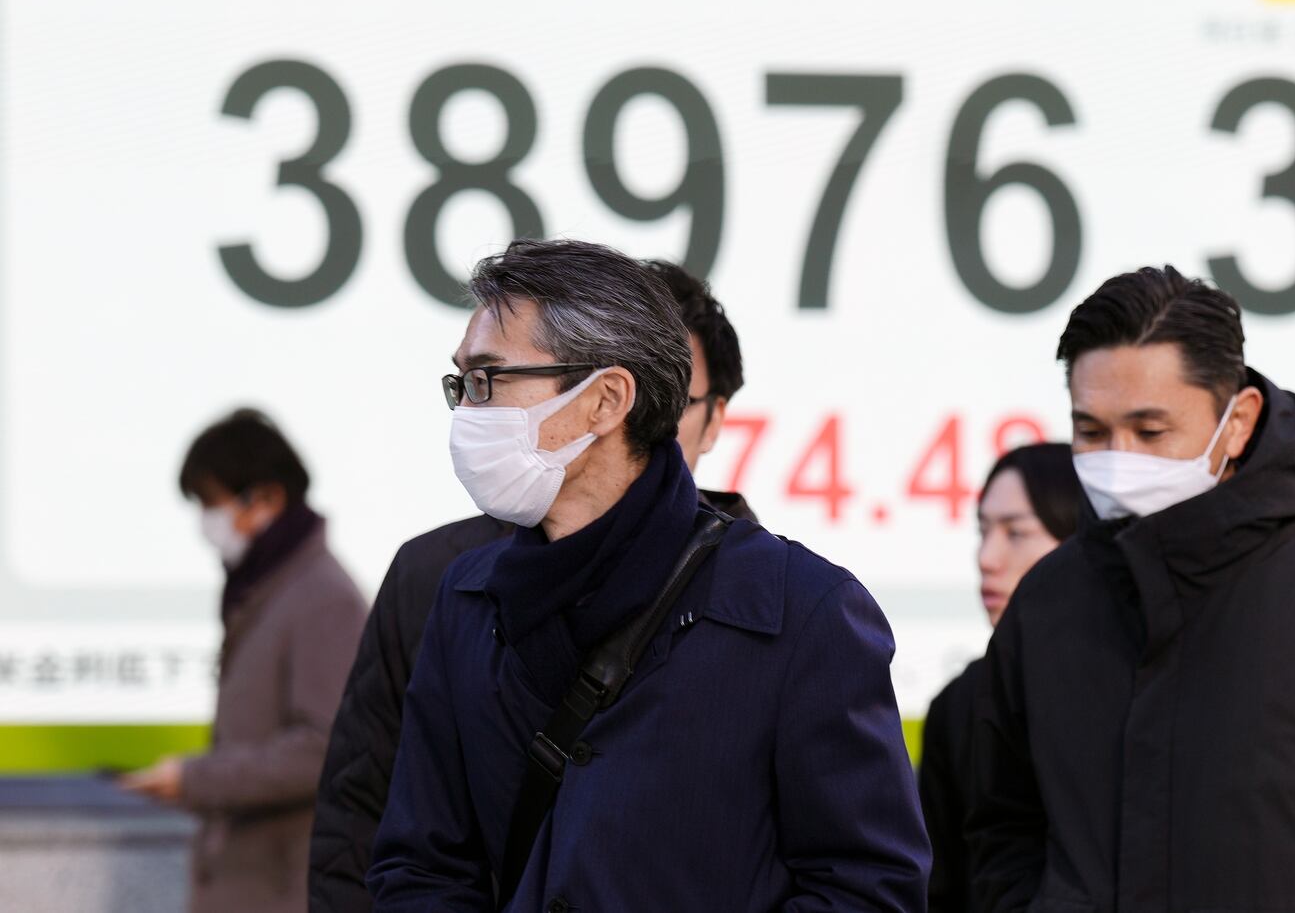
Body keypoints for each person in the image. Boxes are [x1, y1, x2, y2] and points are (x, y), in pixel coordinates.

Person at [367, 239, 928, 910]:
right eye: (461, 384)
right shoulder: (465, 600)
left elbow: (869, 888)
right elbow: (420, 867)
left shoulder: (801, 612)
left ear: (606, 399)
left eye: (489, 379)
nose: (467, 412)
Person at [969, 266, 1295, 912]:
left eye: (1151, 430)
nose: (1119, 457)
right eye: (1092, 430)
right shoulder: (1049, 601)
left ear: (1239, 421)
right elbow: (1001, 830)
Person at [309, 259, 758, 912]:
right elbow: (374, 826)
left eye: (678, 390)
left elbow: (847, 871)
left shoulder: (775, 606)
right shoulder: (444, 582)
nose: (471, 406)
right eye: (466, 382)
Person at [120, 409, 366, 913]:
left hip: (285, 890)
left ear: (267, 497)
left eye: (212, 503)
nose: (207, 523)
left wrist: (195, 780)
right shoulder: (268, 588)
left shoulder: (323, 597)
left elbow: (325, 750)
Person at [919, 443, 1077, 912]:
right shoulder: (959, 703)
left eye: (1016, 532)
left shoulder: (1142, 685)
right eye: (983, 531)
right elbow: (937, 886)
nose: (988, 557)